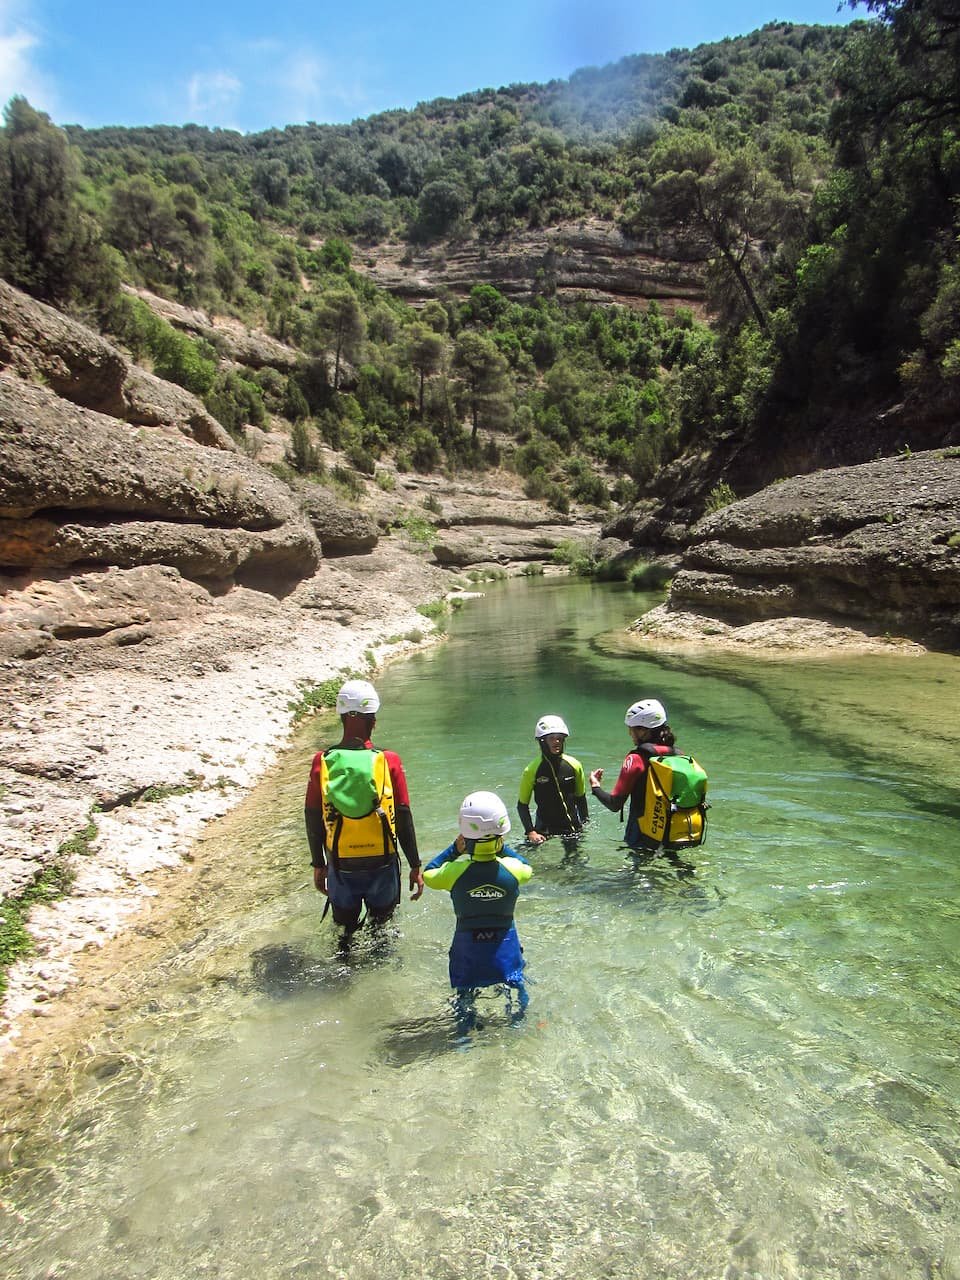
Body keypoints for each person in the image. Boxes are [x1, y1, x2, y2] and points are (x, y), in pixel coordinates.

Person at [304, 678, 423, 941]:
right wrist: (416, 865)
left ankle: (344, 980)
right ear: (374, 720)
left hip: (341, 864)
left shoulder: (321, 761)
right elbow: (403, 816)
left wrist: (318, 864)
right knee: (383, 934)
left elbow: (312, 817)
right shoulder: (388, 761)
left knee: (344, 937)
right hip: (382, 864)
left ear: (342, 717)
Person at [424, 791, 532, 1024]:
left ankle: (463, 1036)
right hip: (505, 945)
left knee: (465, 995)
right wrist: (501, 849)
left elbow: (428, 874)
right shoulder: (514, 870)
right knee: (516, 986)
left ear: (465, 832)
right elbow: (527, 866)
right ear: (501, 832)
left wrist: (454, 849)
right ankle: (518, 1025)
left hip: (468, 949)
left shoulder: (454, 872)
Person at [588, 698, 678, 853]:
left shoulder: (635, 759)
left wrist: (596, 787)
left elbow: (614, 804)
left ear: (644, 730)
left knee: (636, 875)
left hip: (642, 834)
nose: (630, 733)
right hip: (672, 833)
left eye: (632, 729)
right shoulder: (678, 755)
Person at [517, 714, 588, 851]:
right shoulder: (531, 770)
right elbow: (522, 805)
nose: (556, 742)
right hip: (543, 828)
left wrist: (585, 823)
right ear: (542, 741)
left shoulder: (574, 765)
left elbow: (581, 798)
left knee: (574, 863)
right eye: (552, 738)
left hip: (571, 827)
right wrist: (530, 832)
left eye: (560, 738)